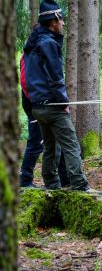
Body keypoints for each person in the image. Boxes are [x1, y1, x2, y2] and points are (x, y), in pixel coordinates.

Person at [23, 0, 90, 191]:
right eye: (61, 20)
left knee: (51, 147)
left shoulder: (34, 43)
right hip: (52, 106)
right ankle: (80, 185)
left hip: (38, 106)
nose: (63, 23)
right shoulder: (48, 43)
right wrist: (63, 102)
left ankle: (52, 184)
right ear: (53, 22)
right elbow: (55, 77)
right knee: (71, 146)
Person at [19, 54, 69, 188]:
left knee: (62, 138)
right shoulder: (29, 54)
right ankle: (25, 180)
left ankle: (65, 180)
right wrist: (38, 101)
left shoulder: (43, 52)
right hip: (36, 104)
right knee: (36, 142)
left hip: (47, 103)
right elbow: (25, 82)